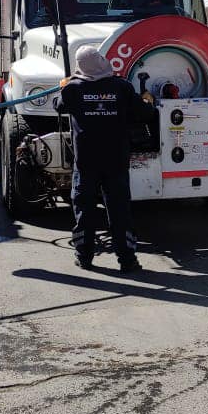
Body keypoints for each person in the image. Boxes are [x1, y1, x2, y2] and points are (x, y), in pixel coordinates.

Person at [53, 45, 155, 273]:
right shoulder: (122, 87)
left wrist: (64, 87)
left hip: (86, 162)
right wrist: (148, 101)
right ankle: (127, 260)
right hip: (116, 161)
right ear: (99, 61)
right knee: (119, 210)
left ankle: (84, 256)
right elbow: (146, 114)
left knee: (84, 208)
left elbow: (57, 106)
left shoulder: (72, 89)